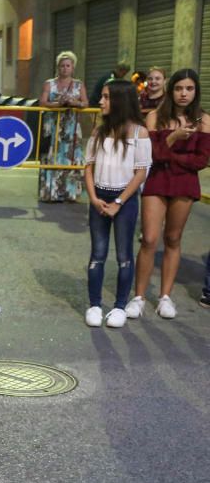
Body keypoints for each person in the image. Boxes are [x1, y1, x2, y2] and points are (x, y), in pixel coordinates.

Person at [127, 68, 210, 319]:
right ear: (170, 90)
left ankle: (165, 296)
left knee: (173, 238)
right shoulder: (155, 117)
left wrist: (169, 155)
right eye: (178, 88)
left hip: (184, 184)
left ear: (196, 91)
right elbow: (152, 155)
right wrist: (173, 138)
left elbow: (202, 160)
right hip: (157, 181)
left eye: (189, 89)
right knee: (150, 239)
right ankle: (139, 297)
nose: (183, 94)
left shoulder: (204, 120)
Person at [83, 80, 150, 328]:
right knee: (97, 254)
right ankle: (94, 304)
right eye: (102, 96)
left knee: (124, 255)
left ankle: (120, 306)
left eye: (106, 97)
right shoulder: (99, 132)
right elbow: (88, 167)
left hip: (126, 200)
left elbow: (140, 172)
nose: (101, 101)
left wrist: (119, 202)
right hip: (99, 197)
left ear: (121, 100)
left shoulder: (138, 133)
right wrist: (93, 198)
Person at [38, 51, 88, 202]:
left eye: (68, 65)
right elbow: (42, 102)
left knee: (71, 157)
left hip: (71, 128)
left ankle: (70, 193)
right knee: (52, 156)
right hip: (53, 127)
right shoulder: (49, 83)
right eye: (62, 66)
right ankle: (51, 193)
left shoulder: (79, 85)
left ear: (73, 68)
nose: (65, 68)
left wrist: (74, 103)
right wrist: (57, 104)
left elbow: (85, 103)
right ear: (57, 67)